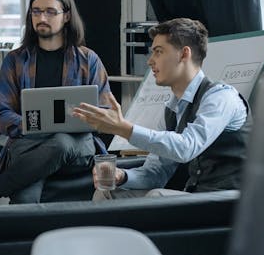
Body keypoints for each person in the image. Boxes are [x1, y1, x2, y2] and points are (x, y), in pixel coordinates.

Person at [73, 18, 249, 198]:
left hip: (230, 201)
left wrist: (123, 128)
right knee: (106, 193)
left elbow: (186, 147)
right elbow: (156, 173)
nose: (150, 61)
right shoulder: (172, 111)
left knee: (157, 196)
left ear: (184, 54)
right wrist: (122, 176)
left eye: (158, 52)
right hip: (196, 197)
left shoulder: (220, 97)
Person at [0, 0, 112, 205]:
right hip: (30, 143)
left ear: (66, 16)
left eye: (50, 12)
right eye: (36, 11)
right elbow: (3, 116)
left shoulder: (88, 60)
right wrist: (33, 126)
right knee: (26, 202)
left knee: (62, 142)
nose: (42, 18)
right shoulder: (15, 61)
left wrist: (79, 121)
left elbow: (106, 112)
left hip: (78, 145)